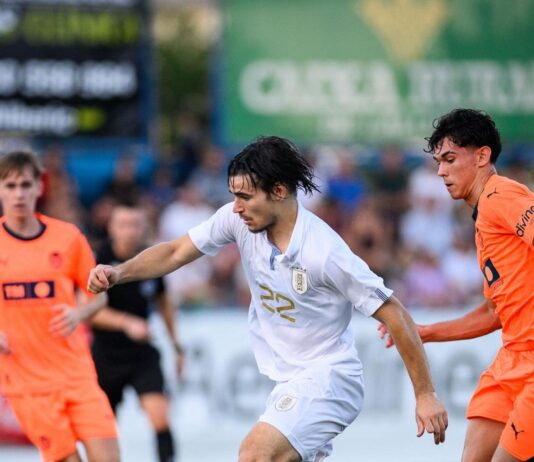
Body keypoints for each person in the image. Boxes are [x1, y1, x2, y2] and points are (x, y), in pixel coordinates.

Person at [88, 136, 448, 462]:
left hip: (329, 378)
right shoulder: (238, 221)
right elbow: (175, 252)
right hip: (288, 380)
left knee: (254, 454)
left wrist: (426, 394)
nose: (236, 207)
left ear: (279, 191)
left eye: (244, 196)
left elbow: (394, 312)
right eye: (233, 195)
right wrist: (119, 272)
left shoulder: (324, 252)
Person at [379, 108, 534, 462]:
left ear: (482, 156)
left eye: (450, 159)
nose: (440, 171)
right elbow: (493, 312)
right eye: (438, 162)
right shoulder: (483, 219)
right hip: (510, 361)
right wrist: (427, 332)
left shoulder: (502, 197)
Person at [0, 151, 120, 462]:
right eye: (10, 186)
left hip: (77, 375)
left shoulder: (67, 238)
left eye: (25, 185)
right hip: (27, 384)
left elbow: (100, 295)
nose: (18, 194)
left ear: (39, 188)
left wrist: (79, 313)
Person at [90, 202, 184, 462]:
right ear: (111, 227)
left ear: (143, 228)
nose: (129, 231)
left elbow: (164, 302)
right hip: (106, 355)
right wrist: (126, 323)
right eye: (123, 225)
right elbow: (87, 311)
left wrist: (176, 345)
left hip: (141, 352)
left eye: (135, 225)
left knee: (160, 415)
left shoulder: (149, 260)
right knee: (103, 429)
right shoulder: (97, 261)